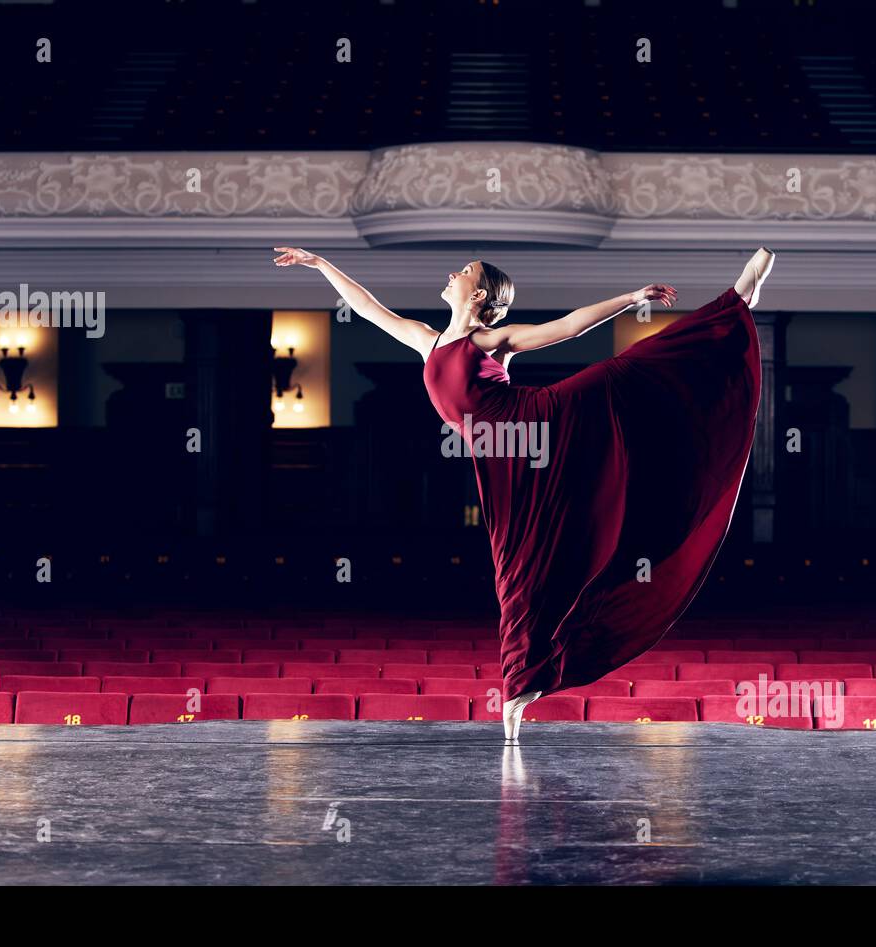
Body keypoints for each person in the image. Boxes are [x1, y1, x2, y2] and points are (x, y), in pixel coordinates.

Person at [274, 245, 773, 741]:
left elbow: (569, 326)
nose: (453, 271)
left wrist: (631, 297)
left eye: (464, 270)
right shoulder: (428, 341)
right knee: (518, 568)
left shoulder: (492, 340)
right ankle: (522, 687)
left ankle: (734, 307)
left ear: (479, 295)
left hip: (537, 424)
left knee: (619, 375)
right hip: (502, 460)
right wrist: (320, 265)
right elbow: (366, 307)